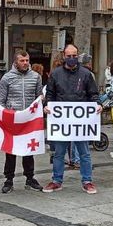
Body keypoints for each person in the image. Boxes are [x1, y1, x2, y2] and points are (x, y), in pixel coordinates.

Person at [43, 44, 100, 194]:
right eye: (69, 56)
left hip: (81, 121)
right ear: (64, 56)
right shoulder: (55, 74)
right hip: (61, 120)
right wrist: (47, 106)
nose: (72, 58)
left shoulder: (86, 74)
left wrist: (98, 104)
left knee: (84, 153)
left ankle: (87, 181)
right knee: (59, 153)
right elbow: (49, 94)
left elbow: (93, 94)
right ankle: (57, 180)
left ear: (78, 55)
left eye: (74, 55)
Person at [0, 50, 43, 193]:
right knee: (10, 150)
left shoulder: (36, 77)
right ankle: (9, 179)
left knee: (29, 150)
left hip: (29, 121)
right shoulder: (6, 78)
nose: (25, 63)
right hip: (13, 120)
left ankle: (30, 178)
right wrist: (5, 117)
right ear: (16, 62)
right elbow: (1, 101)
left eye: (27, 60)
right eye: (22, 61)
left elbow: (38, 97)